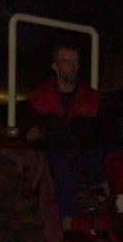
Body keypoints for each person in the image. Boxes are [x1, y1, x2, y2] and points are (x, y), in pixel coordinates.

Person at [23, 40, 107, 219]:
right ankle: (68, 224)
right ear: (55, 66)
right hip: (54, 156)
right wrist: (35, 133)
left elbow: (103, 129)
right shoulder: (39, 98)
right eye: (66, 62)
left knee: (111, 158)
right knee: (63, 169)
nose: (72, 67)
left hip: (84, 154)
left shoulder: (92, 98)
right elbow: (29, 132)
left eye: (75, 62)